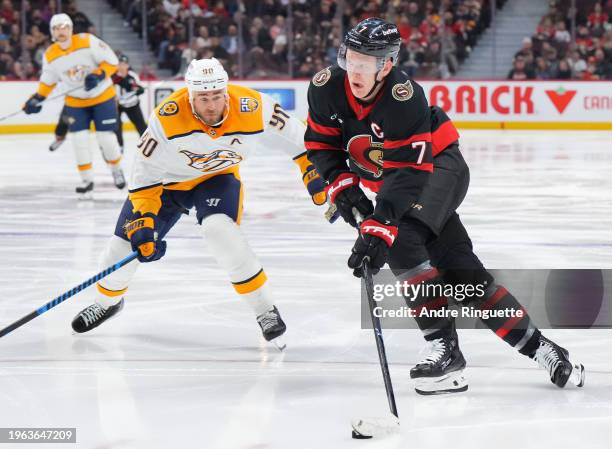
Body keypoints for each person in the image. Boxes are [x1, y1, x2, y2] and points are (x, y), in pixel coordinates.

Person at [305, 18, 585, 394]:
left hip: (438, 169)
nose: (353, 71)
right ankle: (542, 349)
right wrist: (345, 191)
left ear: (386, 65)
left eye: (364, 63)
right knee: (463, 275)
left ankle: (444, 350)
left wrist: (379, 224)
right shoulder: (325, 89)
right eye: (349, 59)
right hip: (398, 185)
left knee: (400, 237)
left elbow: (407, 175)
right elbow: (321, 146)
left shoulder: (404, 97)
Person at [70, 58, 326, 346]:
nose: (212, 105)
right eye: (203, 98)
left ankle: (265, 309)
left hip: (217, 178)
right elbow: (144, 176)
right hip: (166, 184)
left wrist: (312, 168)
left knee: (220, 231)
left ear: (226, 91)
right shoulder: (165, 118)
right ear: (190, 95)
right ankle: (107, 302)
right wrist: (143, 221)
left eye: (217, 96)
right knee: (124, 245)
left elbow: (301, 138)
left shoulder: (253, 106)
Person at [22, 13, 125, 197]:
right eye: (56, 28)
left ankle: (116, 170)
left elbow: (112, 61)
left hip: (102, 97)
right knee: (79, 140)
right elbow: (47, 82)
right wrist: (36, 99)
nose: (61, 31)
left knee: (106, 138)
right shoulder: (50, 55)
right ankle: (86, 179)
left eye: (64, 27)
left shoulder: (87, 41)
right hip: (75, 102)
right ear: (52, 32)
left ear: (70, 29)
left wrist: (99, 75)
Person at [112, 54, 148, 152]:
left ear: (127, 65)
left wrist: (137, 90)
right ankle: (120, 146)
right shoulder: (113, 77)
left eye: (123, 64)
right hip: (118, 105)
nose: (121, 66)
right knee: (116, 126)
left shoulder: (132, 76)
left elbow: (140, 89)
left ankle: (146, 145)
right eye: (119, 64)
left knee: (141, 126)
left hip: (132, 105)